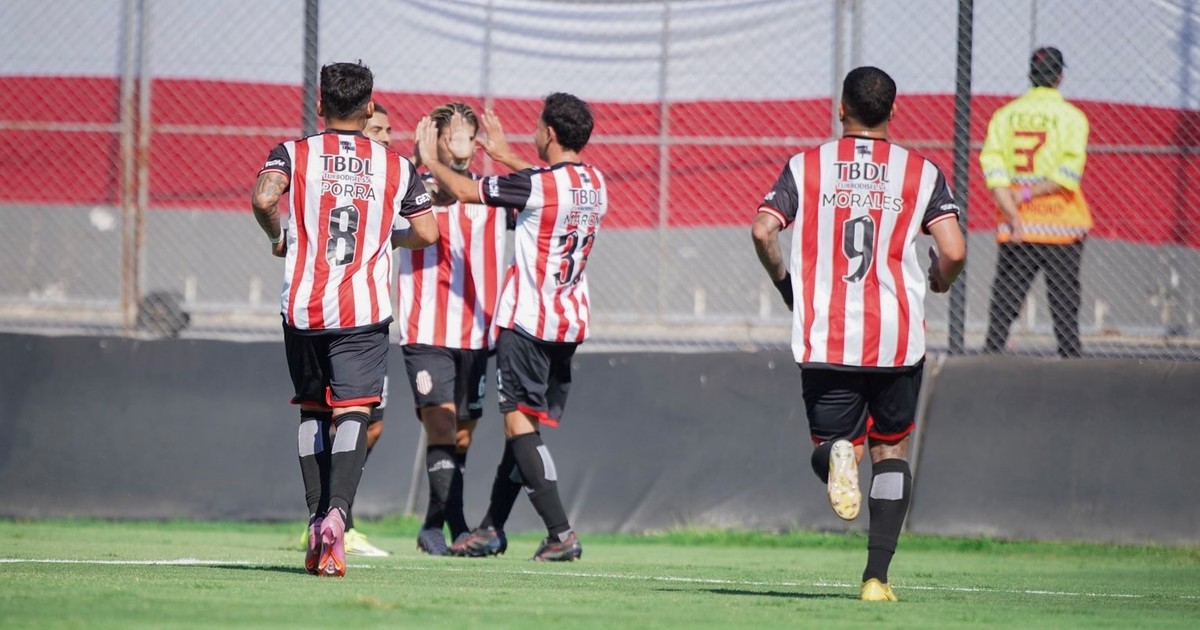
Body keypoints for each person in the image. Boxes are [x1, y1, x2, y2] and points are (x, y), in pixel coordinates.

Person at [751, 66, 966, 602]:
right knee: (891, 451)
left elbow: (763, 230)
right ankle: (876, 579)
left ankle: (835, 454)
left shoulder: (807, 167)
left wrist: (785, 282)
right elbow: (955, 249)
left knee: (830, 447)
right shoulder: (921, 172)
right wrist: (940, 278)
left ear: (841, 108)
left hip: (826, 334)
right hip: (896, 338)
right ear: (893, 112)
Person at [252, 61, 437, 577]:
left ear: (320, 106)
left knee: (313, 412)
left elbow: (264, 197)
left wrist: (278, 237)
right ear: (369, 107)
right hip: (363, 309)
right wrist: (389, 238)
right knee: (353, 411)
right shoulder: (396, 166)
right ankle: (338, 514)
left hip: (304, 308)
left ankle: (316, 517)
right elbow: (427, 233)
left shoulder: (292, 153)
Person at [415, 93, 606, 562]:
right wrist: (504, 157)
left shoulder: (539, 185)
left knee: (519, 426)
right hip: (568, 324)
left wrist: (428, 161)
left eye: (538, 126)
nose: (534, 133)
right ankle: (493, 528)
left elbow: (467, 193)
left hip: (528, 322)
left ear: (550, 133)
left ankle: (560, 533)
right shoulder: (595, 183)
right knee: (523, 430)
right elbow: (546, 184)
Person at [399, 102, 511, 555]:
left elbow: (540, 193)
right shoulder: (417, 186)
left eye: (468, 134)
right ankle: (460, 528)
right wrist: (421, 160)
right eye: (452, 135)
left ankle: (431, 525)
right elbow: (437, 194)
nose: (461, 143)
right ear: (435, 139)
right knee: (442, 426)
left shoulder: (488, 191)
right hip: (426, 330)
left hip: (478, 333)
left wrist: (504, 155)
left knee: (462, 434)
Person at [980, 47, 1091, 358]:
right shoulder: (1072, 117)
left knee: (1005, 298)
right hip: (1061, 225)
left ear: (1030, 75)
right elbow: (1068, 174)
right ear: (1060, 77)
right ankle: (1071, 361)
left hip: (1019, 225)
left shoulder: (1005, 115)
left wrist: (1014, 210)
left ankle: (988, 361)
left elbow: (994, 171)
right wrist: (1030, 193)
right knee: (1064, 300)